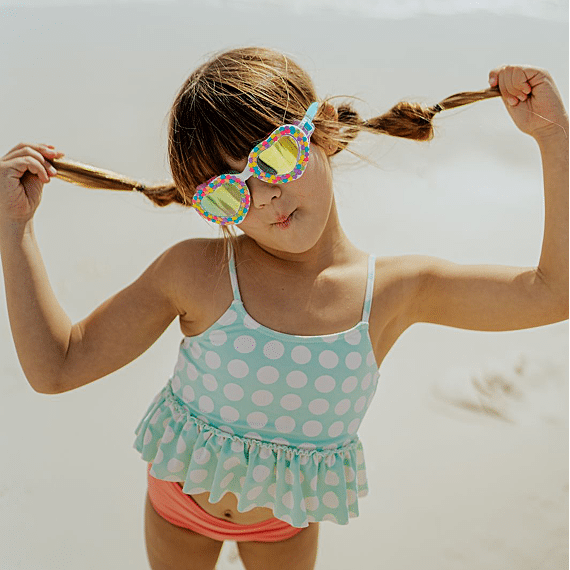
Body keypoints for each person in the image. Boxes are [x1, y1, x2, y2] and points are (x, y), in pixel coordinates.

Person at [0, 47, 567, 570]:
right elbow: (58, 366)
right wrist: (15, 227)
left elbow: (552, 293)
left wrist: (551, 134)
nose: (265, 195)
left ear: (323, 132)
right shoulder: (195, 271)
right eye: (230, 192)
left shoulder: (393, 291)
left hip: (284, 524)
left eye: (275, 155)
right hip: (178, 500)